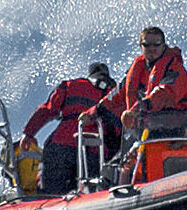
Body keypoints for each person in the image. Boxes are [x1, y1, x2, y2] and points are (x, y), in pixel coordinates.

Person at [23, 61, 117, 194]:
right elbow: (117, 128)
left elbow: (47, 109)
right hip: (93, 150)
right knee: (88, 192)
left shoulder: (69, 86)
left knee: (49, 194)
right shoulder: (114, 93)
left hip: (60, 146)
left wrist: (28, 133)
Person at [102, 25, 187, 139]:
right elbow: (117, 94)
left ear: (163, 45)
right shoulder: (138, 69)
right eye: (146, 45)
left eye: (156, 44)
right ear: (141, 46)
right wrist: (93, 113)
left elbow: (164, 93)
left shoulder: (175, 69)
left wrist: (137, 109)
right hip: (145, 132)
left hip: (173, 130)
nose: (152, 48)